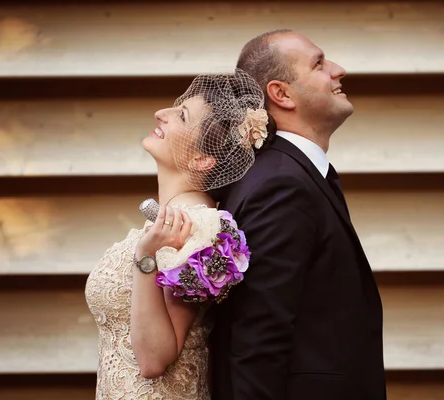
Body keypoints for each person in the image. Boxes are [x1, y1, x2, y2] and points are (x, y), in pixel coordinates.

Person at [210, 30, 386, 399]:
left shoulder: (291, 173)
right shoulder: (281, 185)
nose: (339, 70)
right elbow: (258, 337)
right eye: (319, 64)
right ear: (282, 94)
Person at [85, 69, 271, 399]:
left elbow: (155, 359)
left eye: (181, 115)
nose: (162, 113)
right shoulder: (169, 224)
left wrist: (145, 260)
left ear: (202, 158)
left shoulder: (198, 231)